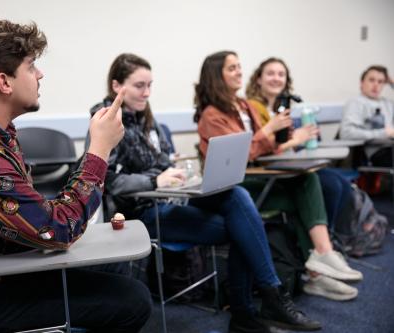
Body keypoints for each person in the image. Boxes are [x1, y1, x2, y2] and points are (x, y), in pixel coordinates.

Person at [0, 19, 152, 333]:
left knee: (115, 265)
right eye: (31, 66)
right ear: (4, 83)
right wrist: (100, 147)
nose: (40, 74)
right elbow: (59, 231)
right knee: (135, 300)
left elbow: (36, 216)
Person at [91, 53, 321, 333]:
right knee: (241, 226)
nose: (147, 93)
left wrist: (182, 173)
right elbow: (109, 181)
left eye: (150, 85)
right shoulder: (104, 121)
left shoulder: (146, 119)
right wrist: (155, 181)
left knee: (236, 198)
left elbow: (163, 161)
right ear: (117, 86)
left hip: (168, 196)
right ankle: (254, 307)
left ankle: (259, 304)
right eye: (140, 86)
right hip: (137, 213)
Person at [194, 51, 363, 303]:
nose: (239, 71)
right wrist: (268, 130)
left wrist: (282, 134)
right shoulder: (212, 115)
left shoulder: (243, 106)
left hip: (252, 177)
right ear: (216, 75)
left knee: (307, 181)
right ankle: (318, 266)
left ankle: (319, 261)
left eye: (239, 66)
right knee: (306, 188)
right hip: (234, 187)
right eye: (231, 68)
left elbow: (266, 148)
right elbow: (241, 154)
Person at [245, 57, 353, 231]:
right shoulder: (253, 108)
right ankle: (319, 242)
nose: (276, 78)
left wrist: (300, 137)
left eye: (281, 74)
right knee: (331, 187)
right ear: (258, 79)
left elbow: (283, 142)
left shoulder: (281, 109)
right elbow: (262, 148)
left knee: (342, 184)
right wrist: (296, 139)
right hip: (266, 171)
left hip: (286, 163)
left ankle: (330, 237)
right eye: (270, 73)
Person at [339, 65, 394, 166]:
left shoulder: (387, 104)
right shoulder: (355, 103)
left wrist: (392, 83)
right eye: (371, 80)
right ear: (362, 83)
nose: (376, 85)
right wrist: (384, 133)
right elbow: (346, 133)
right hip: (378, 152)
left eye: (380, 82)